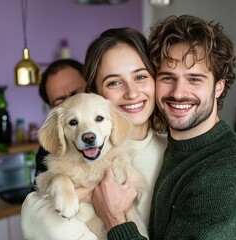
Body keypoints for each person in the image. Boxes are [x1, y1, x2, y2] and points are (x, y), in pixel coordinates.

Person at [91, 15, 236, 240]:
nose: (178, 93)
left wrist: (114, 218)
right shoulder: (171, 148)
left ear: (218, 87)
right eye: (168, 78)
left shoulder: (230, 173)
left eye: (194, 79)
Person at [21, 28, 167, 240]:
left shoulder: (175, 148)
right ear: (96, 90)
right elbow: (36, 214)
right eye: (114, 82)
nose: (132, 93)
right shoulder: (59, 152)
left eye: (141, 76)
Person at [34, 58, 87, 179]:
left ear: (91, 87)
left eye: (77, 94)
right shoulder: (47, 149)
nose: (70, 103)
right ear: (51, 109)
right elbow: (35, 194)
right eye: (60, 100)